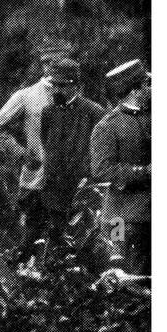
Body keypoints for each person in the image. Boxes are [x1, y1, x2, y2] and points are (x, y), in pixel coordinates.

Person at [0, 39, 75, 245]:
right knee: (32, 239)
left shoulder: (75, 94)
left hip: (70, 180)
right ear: (44, 65)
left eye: (60, 63)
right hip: (37, 180)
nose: (53, 68)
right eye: (49, 64)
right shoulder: (26, 96)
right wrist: (21, 154)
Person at [21, 58, 104, 263]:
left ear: (76, 85)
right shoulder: (48, 112)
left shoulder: (93, 112)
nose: (57, 90)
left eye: (63, 86)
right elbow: (48, 145)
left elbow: (99, 154)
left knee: (84, 248)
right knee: (56, 247)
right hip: (53, 192)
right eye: (54, 85)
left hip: (82, 193)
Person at [90, 59, 151, 275]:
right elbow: (101, 170)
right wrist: (145, 172)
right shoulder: (108, 126)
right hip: (121, 219)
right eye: (147, 84)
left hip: (149, 214)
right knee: (129, 281)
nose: (151, 88)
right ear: (135, 90)